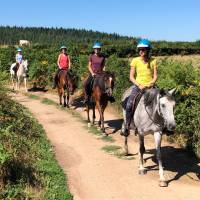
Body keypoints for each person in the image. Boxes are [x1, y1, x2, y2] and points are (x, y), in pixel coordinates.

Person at [124, 39, 158, 135]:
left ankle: (164, 126)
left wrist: (152, 83)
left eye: (143, 49)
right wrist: (139, 85)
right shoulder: (135, 60)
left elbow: (155, 75)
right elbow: (131, 76)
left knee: (163, 102)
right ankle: (127, 125)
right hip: (138, 86)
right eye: (140, 49)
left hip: (151, 86)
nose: (141, 51)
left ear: (148, 50)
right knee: (129, 105)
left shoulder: (153, 61)